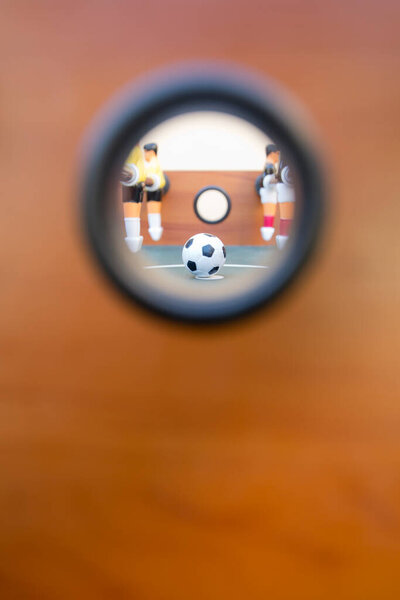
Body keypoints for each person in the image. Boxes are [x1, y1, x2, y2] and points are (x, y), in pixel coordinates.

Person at [143, 143, 167, 241]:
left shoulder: (153, 164)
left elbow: (154, 180)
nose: (144, 155)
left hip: (155, 191)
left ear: (152, 152)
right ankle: (154, 231)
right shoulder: (150, 164)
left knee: (153, 212)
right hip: (151, 190)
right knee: (152, 212)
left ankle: (155, 231)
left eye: (146, 153)